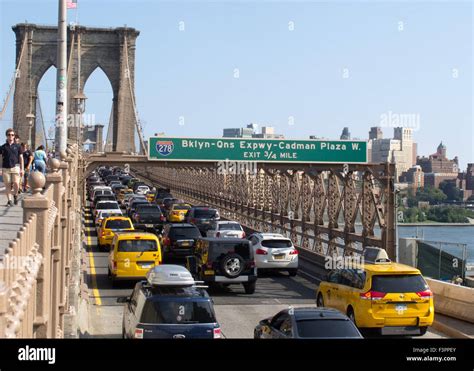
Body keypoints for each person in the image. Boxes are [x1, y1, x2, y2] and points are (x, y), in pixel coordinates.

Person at [0, 128, 24, 206]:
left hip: (15, 167)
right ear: (6, 136)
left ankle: (16, 195)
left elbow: (21, 158)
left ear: (14, 136)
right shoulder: (3, 147)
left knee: (16, 183)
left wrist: (22, 169)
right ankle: (9, 200)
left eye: (12, 135)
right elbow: (0, 159)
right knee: (7, 185)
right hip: (5, 168)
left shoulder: (18, 146)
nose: (11, 136)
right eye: (9, 135)